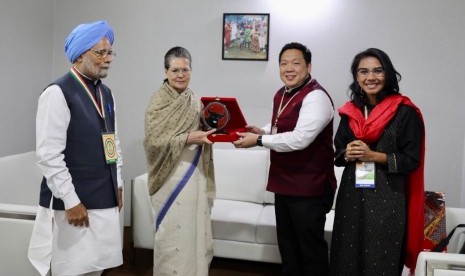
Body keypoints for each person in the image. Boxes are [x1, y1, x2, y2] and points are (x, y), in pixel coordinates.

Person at [28, 20, 123, 276]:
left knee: (97, 268)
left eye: (110, 51)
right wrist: (71, 201)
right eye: (100, 52)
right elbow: (48, 156)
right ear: (80, 55)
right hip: (74, 203)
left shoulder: (107, 93)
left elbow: (112, 141)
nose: (108, 58)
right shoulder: (57, 93)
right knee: (72, 270)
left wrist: (119, 183)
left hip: (105, 198)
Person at [233, 42, 336, 276]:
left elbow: (300, 138)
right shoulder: (281, 93)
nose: (289, 68)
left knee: (310, 251)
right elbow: (282, 126)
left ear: (308, 67)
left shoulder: (316, 97)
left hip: (311, 187)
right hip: (285, 183)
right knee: (288, 248)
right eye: (283, 63)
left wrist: (258, 141)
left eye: (296, 63)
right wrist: (263, 131)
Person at [329, 48, 425, 276]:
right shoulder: (351, 112)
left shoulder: (404, 112)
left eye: (377, 71)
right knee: (346, 257)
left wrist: (373, 156)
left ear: (388, 74)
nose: (370, 77)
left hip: (387, 199)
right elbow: (338, 152)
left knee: (380, 258)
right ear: (356, 76)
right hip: (351, 197)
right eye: (363, 71)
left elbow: (411, 160)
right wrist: (348, 153)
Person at [143, 46, 216, 276]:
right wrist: (187, 138)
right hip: (169, 176)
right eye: (175, 70)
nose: (180, 75)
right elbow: (152, 142)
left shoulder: (195, 100)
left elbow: (204, 128)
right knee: (172, 232)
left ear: (191, 71)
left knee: (193, 229)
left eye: (185, 70)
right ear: (166, 72)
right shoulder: (157, 102)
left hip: (194, 173)